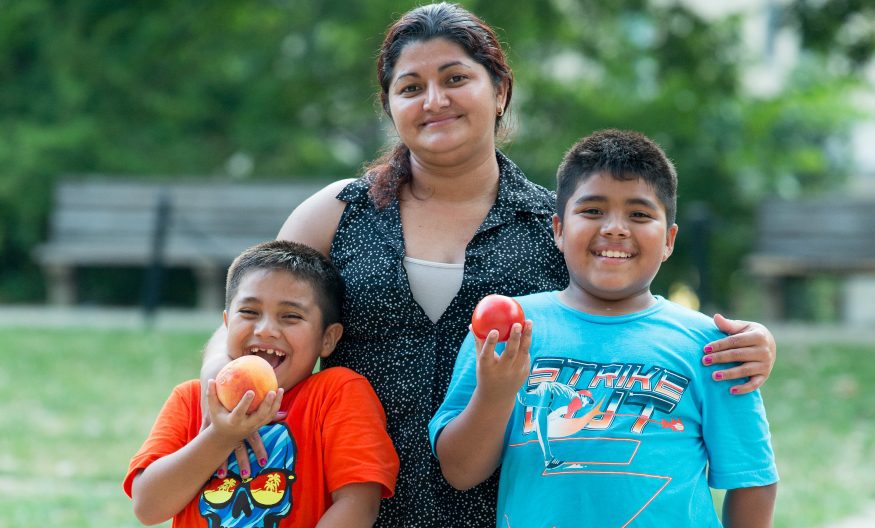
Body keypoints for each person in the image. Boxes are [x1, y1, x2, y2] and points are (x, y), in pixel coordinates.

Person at [201, 3, 779, 526]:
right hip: (343, 503)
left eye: (456, 79)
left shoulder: (555, 227)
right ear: (389, 106)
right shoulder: (335, 213)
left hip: (505, 509)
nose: (435, 100)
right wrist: (215, 388)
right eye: (411, 87)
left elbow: (626, 322)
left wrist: (751, 345)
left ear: (499, 90)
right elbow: (250, 321)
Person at [429, 129, 779, 527]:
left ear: (669, 240)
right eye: (593, 211)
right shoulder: (508, 330)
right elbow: (460, 471)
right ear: (559, 230)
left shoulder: (712, 347)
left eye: (640, 214)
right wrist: (495, 393)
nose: (615, 228)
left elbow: (752, 480)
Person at [125, 240, 399, 527]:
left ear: (327, 338)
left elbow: (359, 506)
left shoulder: (338, 394)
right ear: (227, 324)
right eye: (250, 312)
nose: (266, 329)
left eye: (291, 316)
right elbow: (148, 507)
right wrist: (220, 435)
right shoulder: (192, 399)